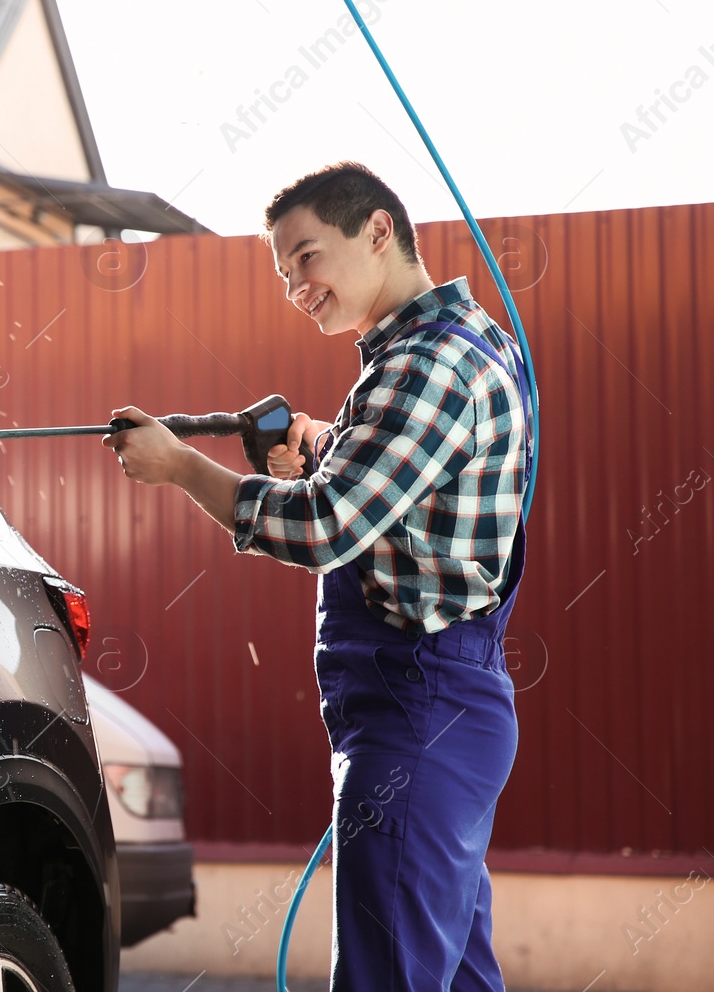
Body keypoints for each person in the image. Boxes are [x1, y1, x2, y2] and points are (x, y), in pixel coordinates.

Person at [103, 161, 532, 991]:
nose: (295, 285)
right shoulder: (452, 344)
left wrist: (181, 466)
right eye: (282, 270)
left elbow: (327, 526)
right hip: (449, 715)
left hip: (419, 712)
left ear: (378, 230)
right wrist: (330, 448)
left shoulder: (425, 365)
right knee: (455, 975)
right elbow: (413, 499)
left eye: (306, 256)